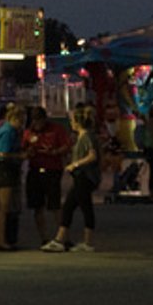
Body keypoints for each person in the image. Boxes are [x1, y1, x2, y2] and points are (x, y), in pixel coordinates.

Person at [43, 103, 100, 253]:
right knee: (70, 207)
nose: (71, 124)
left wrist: (74, 164)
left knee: (80, 207)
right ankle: (63, 239)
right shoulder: (85, 136)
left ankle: (75, 241)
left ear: (78, 122)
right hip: (83, 177)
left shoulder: (85, 136)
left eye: (72, 121)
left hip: (84, 177)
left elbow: (92, 156)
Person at [21, 105, 68, 248]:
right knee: (37, 206)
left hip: (52, 169)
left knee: (55, 205)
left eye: (39, 121)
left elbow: (66, 146)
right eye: (34, 122)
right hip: (35, 169)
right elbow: (23, 148)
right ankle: (44, 237)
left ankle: (62, 237)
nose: (37, 125)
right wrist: (29, 151)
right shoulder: (28, 133)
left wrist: (55, 151)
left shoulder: (56, 129)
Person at [0, 104, 25, 250]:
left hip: (6, 168)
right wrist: (20, 155)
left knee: (5, 206)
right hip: (4, 169)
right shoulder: (8, 132)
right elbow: (3, 153)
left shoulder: (9, 131)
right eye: (21, 120)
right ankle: (1, 240)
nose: (22, 123)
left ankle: (4, 238)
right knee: (3, 206)